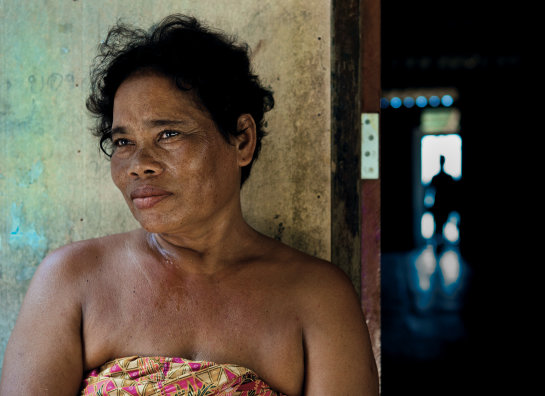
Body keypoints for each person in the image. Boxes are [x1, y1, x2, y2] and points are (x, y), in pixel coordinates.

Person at [0, 15, 378, 395]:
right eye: (122, 142)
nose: (139, 164)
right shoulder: (71, 280)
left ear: (242, 140)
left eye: (168, 134)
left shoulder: (317, 297)